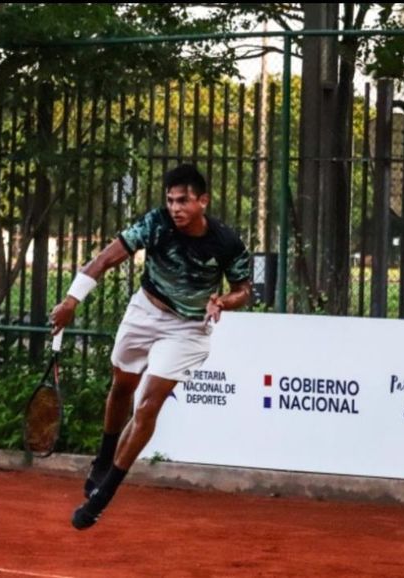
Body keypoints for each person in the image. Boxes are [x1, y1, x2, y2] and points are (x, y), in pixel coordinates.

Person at [50, 164, 251, 530]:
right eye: (171, 200)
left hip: (188, 329)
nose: (175, 207)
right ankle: (104, 457)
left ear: (202, 201)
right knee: (121, 387)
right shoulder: (155, 223)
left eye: (184, 201)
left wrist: (224, 301)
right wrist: (70, 301)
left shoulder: (226, 242)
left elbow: (244, 289)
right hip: (144, 310)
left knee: (147, 404)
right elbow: (105, 259)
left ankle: (103, 496)